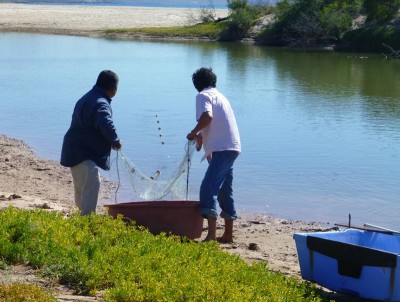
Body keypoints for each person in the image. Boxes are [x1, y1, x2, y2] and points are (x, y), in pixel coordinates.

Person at [186, 67, 241, 243]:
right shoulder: (220, 96)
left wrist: (194, 132)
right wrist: (202, 135)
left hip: (222, 149)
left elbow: (207, 116)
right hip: (231, 147)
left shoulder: (202, 96)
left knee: (208, 188)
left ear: (197, 85)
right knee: (224, 190)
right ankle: (228, 235)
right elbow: (216, 120)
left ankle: (211, 236)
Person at [61, 70, 122, 215]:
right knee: (91, 185)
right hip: (83, 153)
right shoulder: (101, 102)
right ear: (114, 88)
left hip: (74, 150)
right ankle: (87, 223)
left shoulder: (89, 97)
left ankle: (81, 221)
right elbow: (105, 122)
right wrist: (115, 141)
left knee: (82, 188)